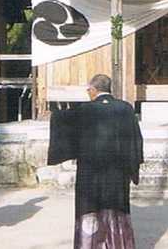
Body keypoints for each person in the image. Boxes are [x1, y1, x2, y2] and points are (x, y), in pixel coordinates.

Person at [48, 74, 144, 249]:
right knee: (116, 207)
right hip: (118, 172)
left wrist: (56, 112)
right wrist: (133, 166)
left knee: (90, 206)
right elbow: (135, 139)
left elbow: (60, 120)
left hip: (90, 172)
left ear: (93, 90)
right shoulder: (125, 109)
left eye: (88, 90)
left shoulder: (85, 110)